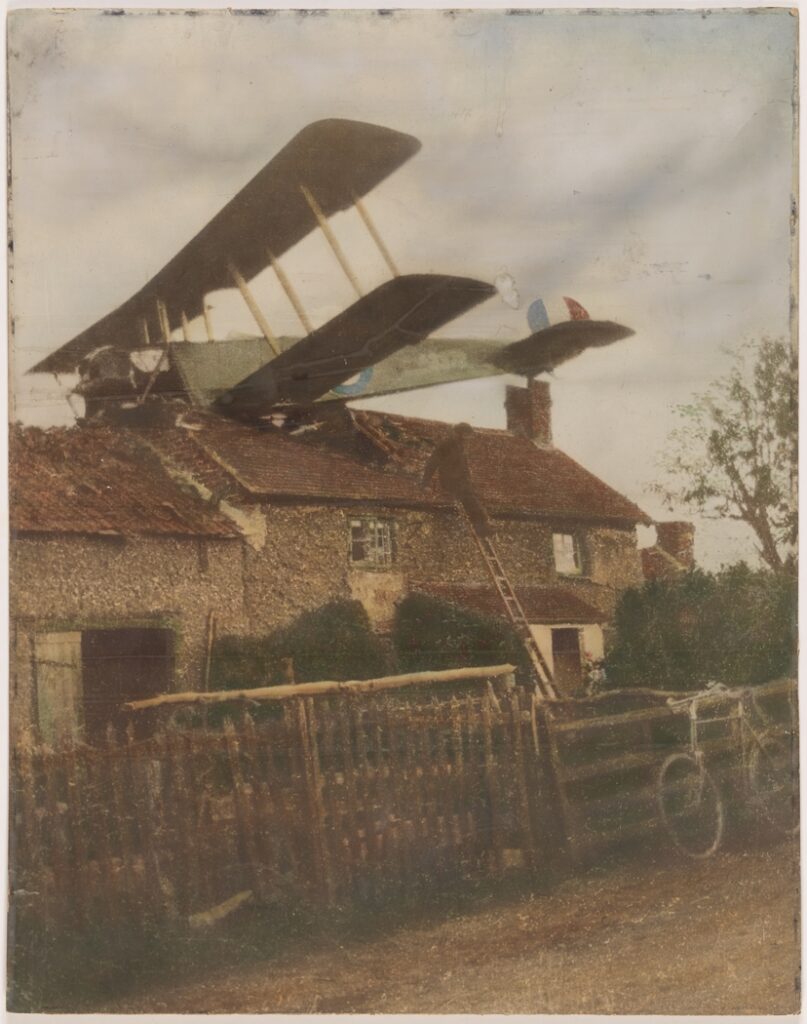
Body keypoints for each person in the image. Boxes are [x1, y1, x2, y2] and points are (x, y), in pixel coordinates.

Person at [422, 422, 493, 536]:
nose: (467, 439)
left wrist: (469, 480)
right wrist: (425, 483)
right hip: (450, 481)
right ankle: (481, 527)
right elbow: (432, 463)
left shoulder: (461, 448)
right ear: (458, 434)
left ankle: (483, 525)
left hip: (461, 481)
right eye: (465, 436)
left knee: (473, 496)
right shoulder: (445, 446)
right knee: (469, 497)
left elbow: (464, 467)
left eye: (468, 437)